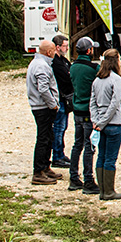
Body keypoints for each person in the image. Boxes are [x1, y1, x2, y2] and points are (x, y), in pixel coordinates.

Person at [90, 49, 121, 201]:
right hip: (113, 123)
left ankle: (102, 190)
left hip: (99, 123)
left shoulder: (97, 79)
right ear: (116, 60)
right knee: (110, 158)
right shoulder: (116, 79)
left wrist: (96, 120)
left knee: (101, 156)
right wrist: (104, 121)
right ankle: (109, 191)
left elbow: (92, 102)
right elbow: (115, 103)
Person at [68, 36, 100, 194]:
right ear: (89, 50)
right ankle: (88, 179)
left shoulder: (73, 67)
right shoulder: (93, 68)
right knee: (90, 146)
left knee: (77, 144)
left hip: (77, 109)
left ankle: (73, 177)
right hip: (89, 110)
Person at [26, 39, 61, 185]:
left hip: (42, 106)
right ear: (49, 52)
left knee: (48, 137)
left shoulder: (39, 63)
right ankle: (38, 171)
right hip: (43, 107)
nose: (55, 52)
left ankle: (46, 167)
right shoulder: (41, 66)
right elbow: (43, 89)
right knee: (43, 138)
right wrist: (53, 104)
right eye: (54, 50)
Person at [50, 34, 73, 169]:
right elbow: (66, 77)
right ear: (58, 47)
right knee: (58, 128)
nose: (67, 48)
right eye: (65, 46)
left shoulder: (63, 61)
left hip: (65, 98)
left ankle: (60, 153)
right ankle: (57, 156)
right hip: (60, 98)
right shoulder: (56, 63)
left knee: (62, 127)